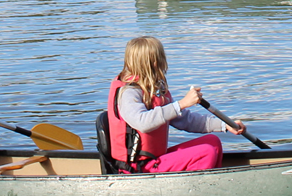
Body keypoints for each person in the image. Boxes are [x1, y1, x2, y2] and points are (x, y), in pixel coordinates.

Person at [104, 36, 243, 173]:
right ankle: (196, 190)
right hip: (139, 167)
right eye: (160, 58)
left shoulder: (155, 90)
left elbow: (186, 120)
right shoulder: (129, 93)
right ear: (153, 63)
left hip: (155, 161)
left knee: (213, 142)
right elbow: (142, 123)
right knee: (206, 152)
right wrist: (181, 104)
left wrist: (225, 125)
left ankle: (211, 183)